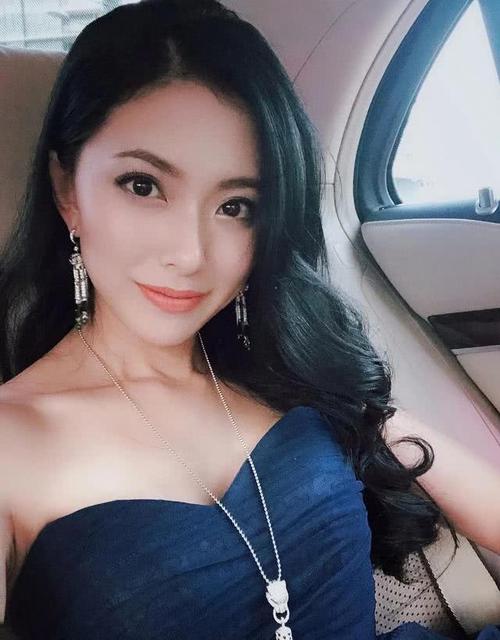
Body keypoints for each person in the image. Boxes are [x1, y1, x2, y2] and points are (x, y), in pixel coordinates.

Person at [0, 1, 498, 638]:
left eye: (235, 206)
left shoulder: (297, 374)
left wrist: (370, 414)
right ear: (67, 190)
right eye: (143, 185)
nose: (190, 254)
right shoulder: (13, 441)